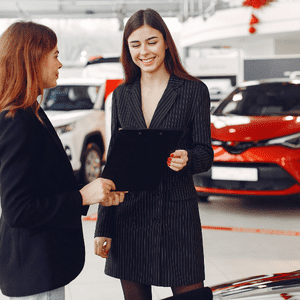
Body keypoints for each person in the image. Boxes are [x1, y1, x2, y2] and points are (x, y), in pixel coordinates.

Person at [0, 21, 125, 299]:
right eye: (55, 55)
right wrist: (81, 197)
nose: (60, 64)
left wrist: (94, 195)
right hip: (34, 270)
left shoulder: (31, 110)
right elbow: (17, 209)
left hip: (40, 264)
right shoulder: (17, 120)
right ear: (33, 58)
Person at [94, 8, 214, 300]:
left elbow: (205, 153)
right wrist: (103, 227)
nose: (144, 51)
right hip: (130, 216)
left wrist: (187, 158)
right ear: (127, 49)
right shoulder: (123, 95)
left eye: (152, 41)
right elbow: (115, 163)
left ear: (166, 43)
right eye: (135, 44)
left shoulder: (193, 91)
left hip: (176, 216)